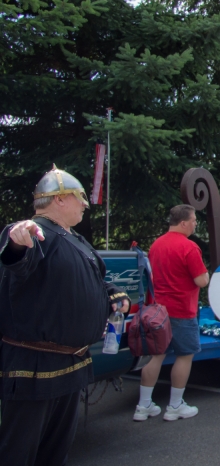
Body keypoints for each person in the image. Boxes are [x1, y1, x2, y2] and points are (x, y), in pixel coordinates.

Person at [0, 165, 130, 465]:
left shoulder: (75, 240)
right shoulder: (35, 231)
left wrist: (113, 295)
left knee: (55, 453)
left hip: (72, 365)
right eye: (79, 197)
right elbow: (17, 260)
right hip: (35, 368)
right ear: (58, 199)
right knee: (18, 453)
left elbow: (96, 280)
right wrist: (19, 241)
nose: (85, 204)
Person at [134, 204, 209, 422]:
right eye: (194, 220)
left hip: (158, 310)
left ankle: (143, 405)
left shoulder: (156, 245)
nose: (195, 223)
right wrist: (206, 277)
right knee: (185, 356)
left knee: (156, 356)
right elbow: (201, 280)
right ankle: (175, 405)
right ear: (184, 223)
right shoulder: (189, 247)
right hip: (183, 310)